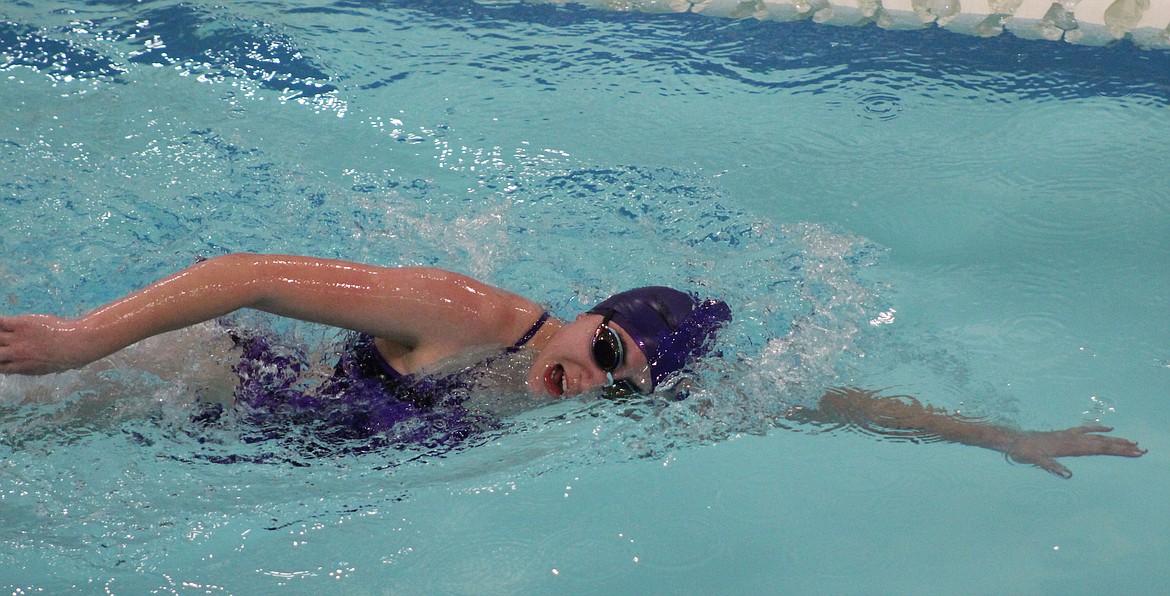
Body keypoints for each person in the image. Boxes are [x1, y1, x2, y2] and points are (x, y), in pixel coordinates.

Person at [0, 253, 1146, 477]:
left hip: (267, 454)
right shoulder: (462, 311)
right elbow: (246, 271)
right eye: (599, 346)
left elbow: (823, 400)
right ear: (578, 314)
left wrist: (1004, 434)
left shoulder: (624, 395)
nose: (596, 376)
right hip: (205, 381)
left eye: (624, 376)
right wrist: (84, 338)